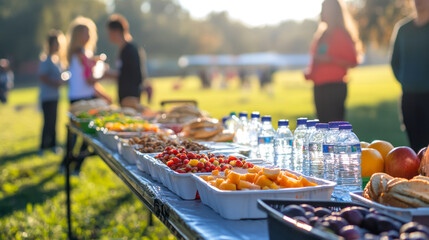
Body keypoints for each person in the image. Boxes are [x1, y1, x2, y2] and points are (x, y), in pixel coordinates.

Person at [61, 16, 111, 175]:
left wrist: (103, 95)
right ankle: (71, 166)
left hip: (85, 97)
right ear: (77, 35)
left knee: (80, 134)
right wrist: (105, 73)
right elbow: (90, 80)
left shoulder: (82, 54)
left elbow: (89, 82)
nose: (87, 36)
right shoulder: (80, 54)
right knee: (81, 135)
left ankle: (70, 165)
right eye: (84, 33)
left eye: (89, 32)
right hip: (80, 99)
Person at [304, 0, 362, 123]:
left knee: (335, 127)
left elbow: (353, 61)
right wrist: (310, 73)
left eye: (324, 9)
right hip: (319, 87)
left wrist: (330, 60)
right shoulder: (321, 35)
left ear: (333, 12)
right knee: (322, 126)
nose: (321, 13)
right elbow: (316, 58)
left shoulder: (341, 34)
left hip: (334, 88)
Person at [391, 0, 429, 152]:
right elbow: (395, 62)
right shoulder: (403, 29)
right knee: (415, 149)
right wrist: (406, 81)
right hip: (409, 97)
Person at [105, 14, 146, 110]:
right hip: (125, 98)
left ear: (116, 32)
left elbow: (133, 75)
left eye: (109, 32)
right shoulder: (123, 50)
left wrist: (109, 74)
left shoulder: (130, 50)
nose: (108, 36)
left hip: (130, 98)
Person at [38, 30, 66, 155]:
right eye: (56, 43)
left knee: (54, 121)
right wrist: (56, 83)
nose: (58, 46)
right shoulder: (46, 59)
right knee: (47, 122)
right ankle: (43, 147)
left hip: (55, 96)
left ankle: (53, 145)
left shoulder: (57, 60)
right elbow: (43, 77)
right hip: (47, 97)